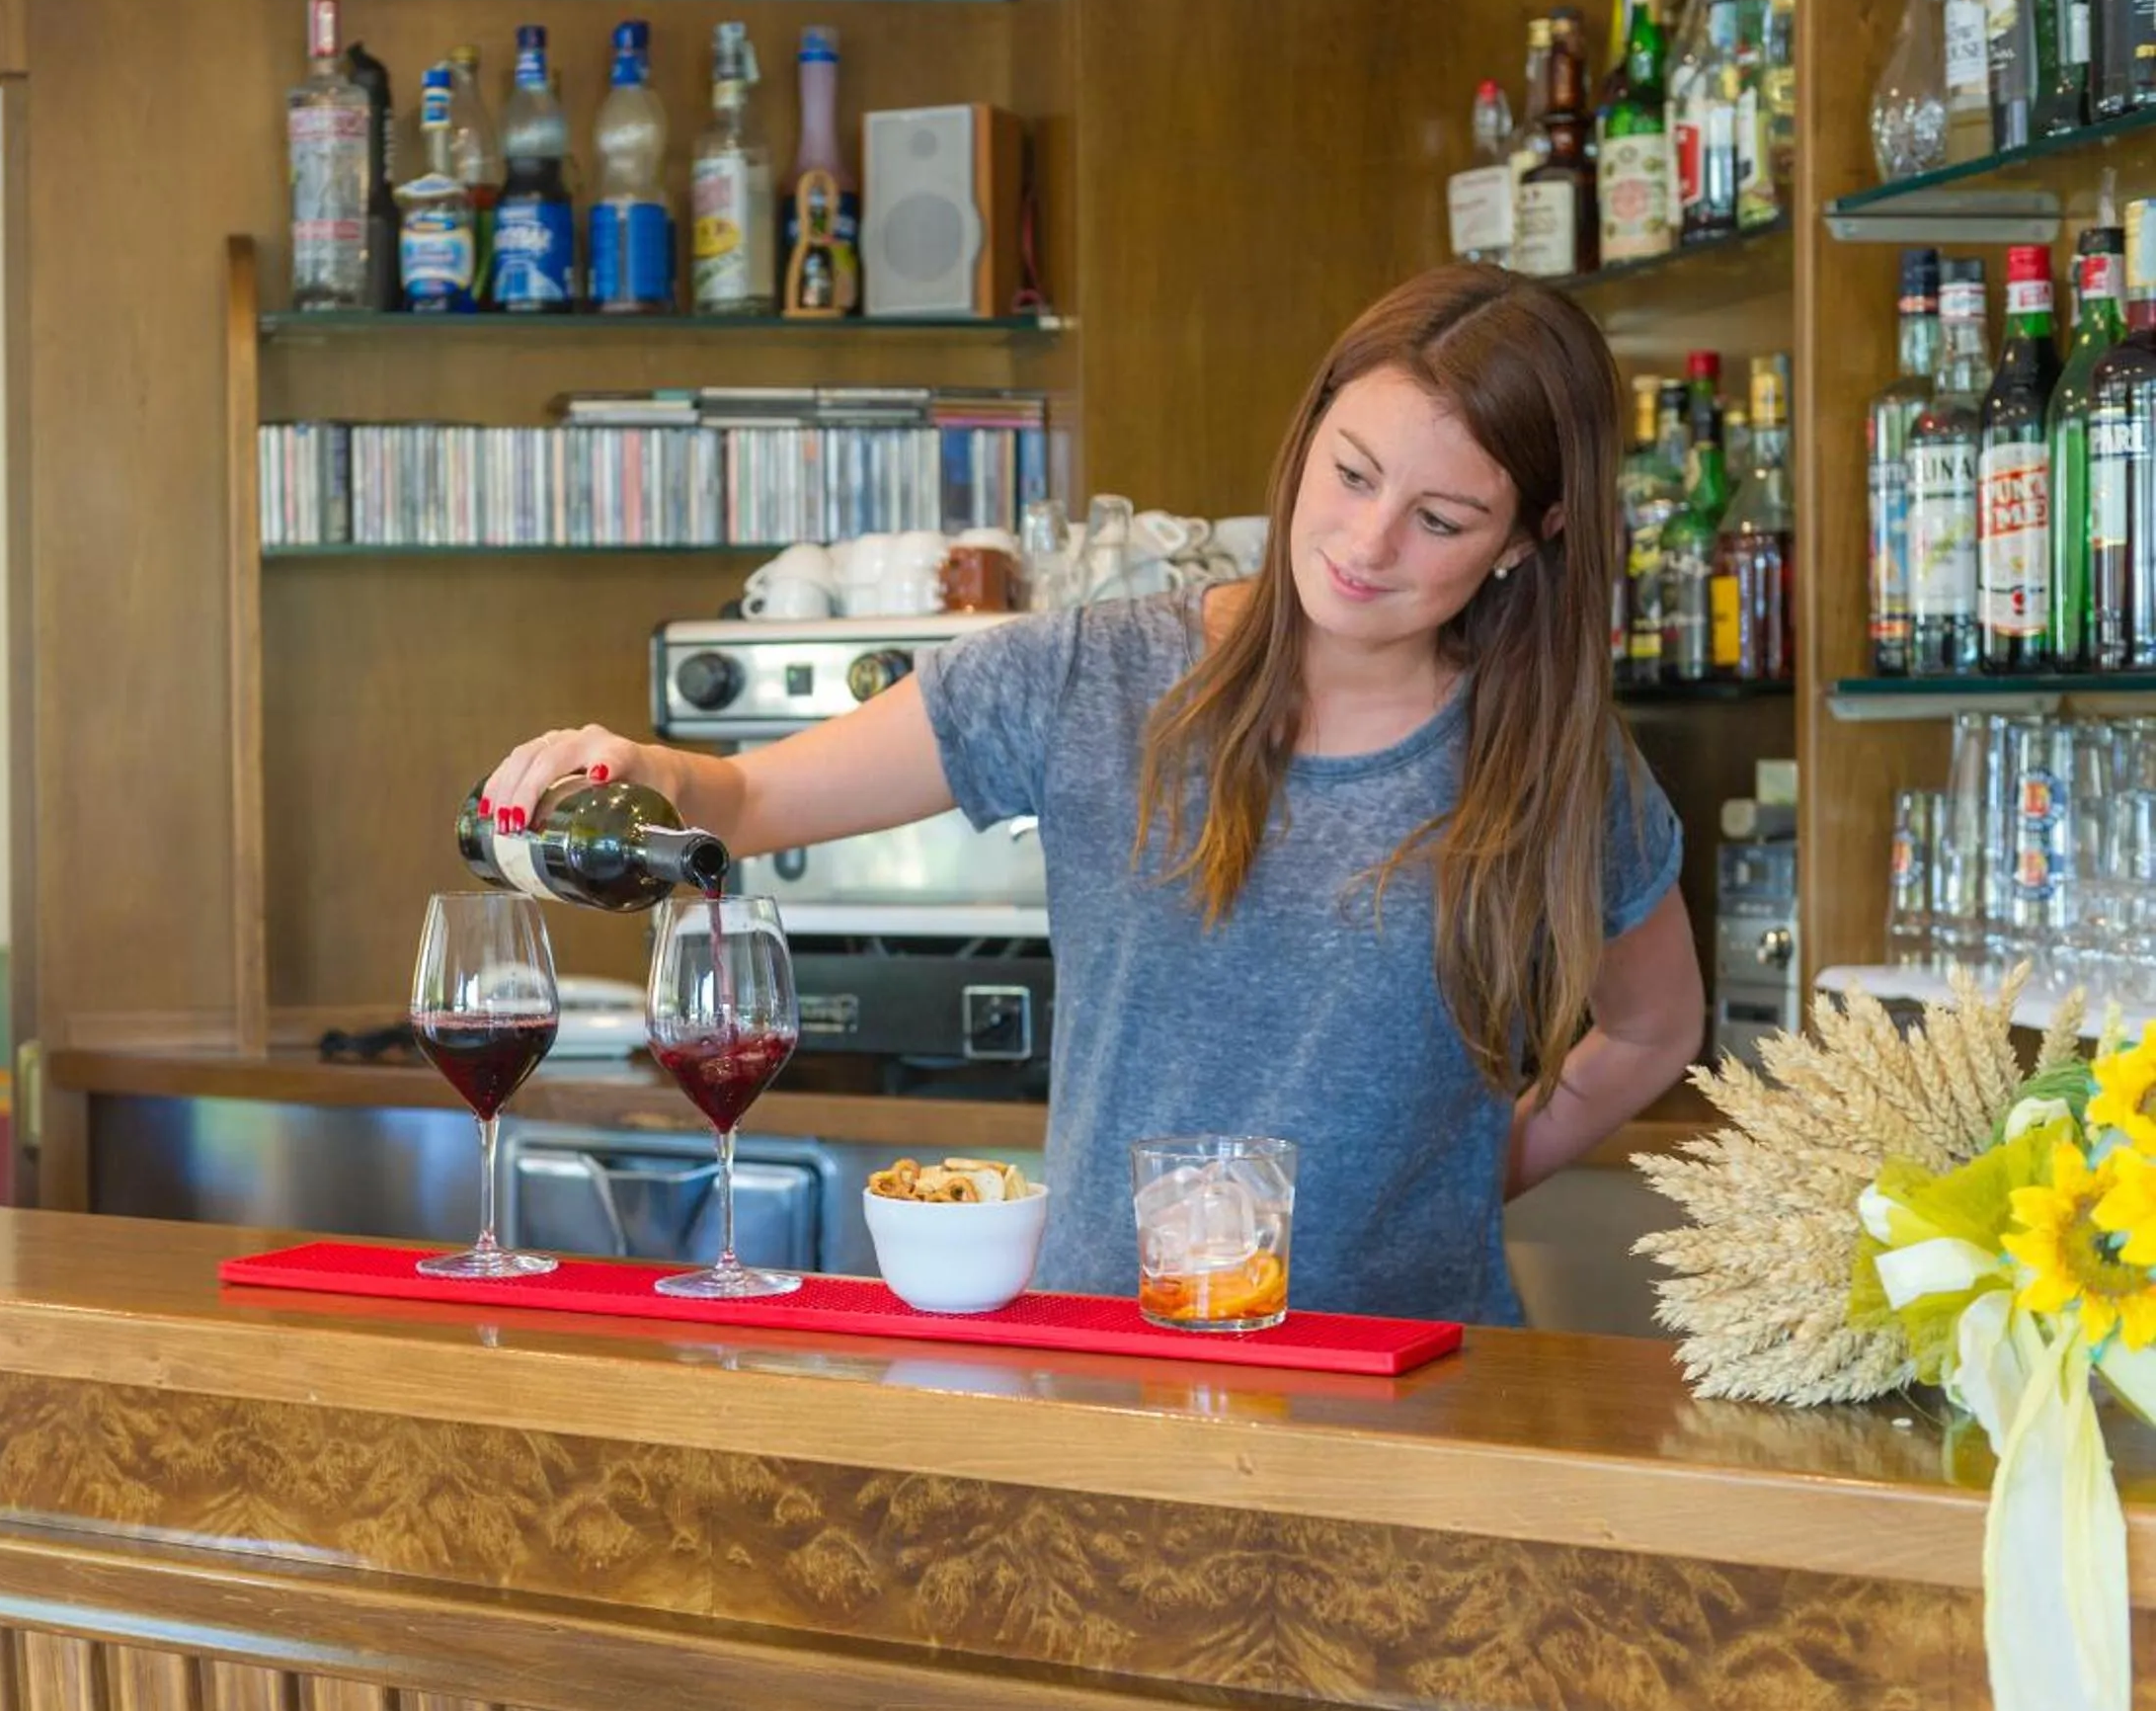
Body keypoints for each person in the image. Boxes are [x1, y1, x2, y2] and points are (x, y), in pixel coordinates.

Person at [481, 263, 1700, 1325]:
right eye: (1351, 472)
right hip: (1106, 1362)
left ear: (1526, 539)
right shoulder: (1085, 678)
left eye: (1439, 519)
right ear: (1311, 426)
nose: (1366, 543)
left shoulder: (1554, 759)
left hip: (1418, 1385)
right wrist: (643, 768)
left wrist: (1457, 1175)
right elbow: (743, 799)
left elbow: (1653, 1029)